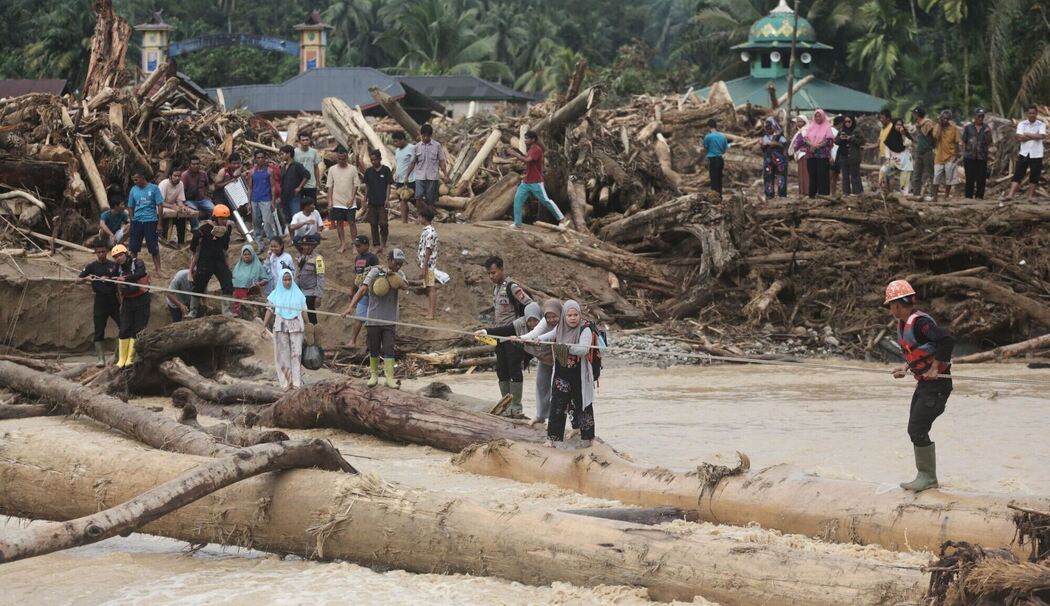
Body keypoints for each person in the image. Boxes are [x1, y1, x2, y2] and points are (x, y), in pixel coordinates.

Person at [884, 279, 954, 492]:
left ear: (896, 305)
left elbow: (946, 341)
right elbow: (916, 350)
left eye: (890, 305)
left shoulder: (921, 324)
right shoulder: (905, 324)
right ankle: (925, 476)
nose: (890, 310)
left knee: (917, 428)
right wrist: (905, 368)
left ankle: (928, 478)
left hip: (938, 386)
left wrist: (935, 368)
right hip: (924, 385)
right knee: (914, 428)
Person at [533, 300, 598, 447]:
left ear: (579, 315)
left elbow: (583, 350)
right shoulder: (560, 327)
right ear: (564, 316)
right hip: (561, 375)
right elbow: (549, 335)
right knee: (557, 405)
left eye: (575, 315)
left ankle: (590, 439)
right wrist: (538, 339)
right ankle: (551, 439)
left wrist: (565, 347)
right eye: (569, 315)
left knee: (583, 406)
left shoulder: (585, 329)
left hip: (579, 375)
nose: (573, 318)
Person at [482, 300, 554, 426]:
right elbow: (504, 330)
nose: (532, 324)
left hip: (556, 359)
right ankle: (538, 415)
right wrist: (486, 332)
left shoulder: (547, 325)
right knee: (541, 386)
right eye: (529, 321)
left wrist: (524, 338)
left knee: (556, 388)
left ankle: (555, 419)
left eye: (535, 320)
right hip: (543, 360)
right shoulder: (520, 324)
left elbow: (538, 334)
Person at [345, 248, 408, 388]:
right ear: (389, 260)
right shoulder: (375, 272)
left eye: (401, 264)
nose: (398, 266)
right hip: (373, 318)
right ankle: (373, 375)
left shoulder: (400, 274)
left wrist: (395, 277)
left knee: (389, 348)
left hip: (389, 319)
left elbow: (405, 286)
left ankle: (389, 378)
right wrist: (350, 307)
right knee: (373, 347)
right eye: (396, 263)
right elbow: (362, 289)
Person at [485, 255, 534, 417]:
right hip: (499, 335)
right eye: (489, 274)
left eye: (494, 272)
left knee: (514, 369)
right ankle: (505, 405)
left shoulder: (512, 287)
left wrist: (521, 324)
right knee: (501, 370)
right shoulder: (496, 288)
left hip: (513, 335)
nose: (491, 276)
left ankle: (516, 406)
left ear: (501, 269)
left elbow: (530, 305)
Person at [508, 130, 570, 228]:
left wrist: (514, 154)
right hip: (526, 181)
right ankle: (517, 223)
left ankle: (562, 219)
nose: (525, 140)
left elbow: (527, 160)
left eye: (527, 138)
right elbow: (527, 160)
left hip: (536, 182)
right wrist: (516, 152)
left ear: (533, 139)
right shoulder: (531, 150)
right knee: (518, 199)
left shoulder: (537, 150)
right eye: (525, 138)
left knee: (546, 201)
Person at [77, 239, 120, 367]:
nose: (101, 254)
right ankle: (101, 359)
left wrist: (110, 279)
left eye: (103, 251)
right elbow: (77, 280)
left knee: (124, 326)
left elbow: (120, 279)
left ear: (107, 251)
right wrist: (86, 278)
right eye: (98, 252)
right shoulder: (91, 266)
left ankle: (117, 355)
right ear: (95, 252)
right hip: (100, 300)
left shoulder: (113, 265)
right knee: (99, 330)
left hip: (113, 300)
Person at [265, 269, 309, 390]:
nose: (287, 282)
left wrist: (309, 325)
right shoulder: (275, 294)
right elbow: (269, 310)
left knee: (296, 354)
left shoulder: (298, 294)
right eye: (285, 280)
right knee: (282, 355)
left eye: (289, 279)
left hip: (296, 326)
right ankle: (285, 382)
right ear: (280, 280)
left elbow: (304, 311)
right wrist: (264, 325)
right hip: (281, 326)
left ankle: (296, 382)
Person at [188, 205, 234, 318]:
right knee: (198, 284)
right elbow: (194, 244)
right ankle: (192, 311)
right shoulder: (205, 228)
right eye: (222, 218)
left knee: (227, 282)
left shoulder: (227, 229)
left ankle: (227, 311)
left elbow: (225, 246)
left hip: (219, 259)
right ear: (215, 217)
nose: (224, 221)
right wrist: (196, 245)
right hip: (205, 260)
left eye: (226, 218)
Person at [111, 244, 150, 368]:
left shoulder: (137, 262)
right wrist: (108, 278)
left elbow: (141, 273)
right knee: (124, 329)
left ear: (126, 254)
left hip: (141, 299)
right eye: (116, 257)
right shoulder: (117, 267)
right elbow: (113, 276)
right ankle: (122, 359)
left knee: (137, 329)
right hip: (128, 300)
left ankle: (131, 359)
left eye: (120, 255)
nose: (118, 258)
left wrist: (126, 278)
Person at [1005, 105, 1046, 201]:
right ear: (1027, 114)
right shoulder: (1022, 124)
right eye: (1030, 113)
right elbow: (1019, 138)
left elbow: (1041, 136)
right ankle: (1011, 195)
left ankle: (1030, 196)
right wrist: (1034, 136)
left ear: (1036, 114)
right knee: (1018, 173)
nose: (1032, 115)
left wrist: (1027, 134)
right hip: (1024, 153)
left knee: (1035, 175)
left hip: (1037, 153)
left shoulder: (1041, 124)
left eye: (1033, 113)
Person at [126, 172, 164, 272]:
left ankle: (158, 270)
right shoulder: (133, 189)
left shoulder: (154, 188)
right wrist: (132, 219)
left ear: (143, 177)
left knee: (154, 247)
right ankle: (132, 269)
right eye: (133, 180)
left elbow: (160, 205)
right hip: (137, 221)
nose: (135, 182)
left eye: (136, 179)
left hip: (151, 221)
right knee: (133, 247)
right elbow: (130, 206)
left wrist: (159, 224)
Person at [326, 145, 359, 253]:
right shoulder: (332, 169)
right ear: (337, 157)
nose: (341, 160)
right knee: (339, 223)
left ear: (347, 157)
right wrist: (330, 201)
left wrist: (352, 198)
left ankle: (355, 245)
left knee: (352, 222)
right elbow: (330, 186)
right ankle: (343, 244)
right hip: (337, 201)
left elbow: (356, 185)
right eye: (339, 158)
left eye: (343, 158)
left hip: (350, 201)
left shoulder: (353, 169)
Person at [406, 123, 447, 213]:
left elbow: (442, 161)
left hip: (432, 177)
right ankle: (420, 215)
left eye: (427, 136)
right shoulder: (416, 147)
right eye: (423, 136)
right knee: (418, 197)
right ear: (420, 135)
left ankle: (429, 217)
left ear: (431, 135)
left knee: (431, 199)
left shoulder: (437, 146)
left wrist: (446, 175)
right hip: (420, 176)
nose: (425, 138)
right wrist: (406, 176)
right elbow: (412, 163)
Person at [349, 235, 380, 345]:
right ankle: (352, 341)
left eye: (359, 246)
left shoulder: (372, 258)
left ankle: (370, 342)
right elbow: (356, 274)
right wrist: (352, 289)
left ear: (366, 245)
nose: (357, 248)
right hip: (360, 292)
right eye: (356, 246)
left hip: (370, 292)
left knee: (370, 320)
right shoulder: (357, 258)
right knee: (359, 317)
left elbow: (378, 274)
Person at [363, 149, 393, 251]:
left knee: (383, 223)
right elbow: (367, 186)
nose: (373, 162)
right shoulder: (368, 171)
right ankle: (376, 243)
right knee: (373, 222)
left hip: (382, 201)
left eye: (375, 160)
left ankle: (384, 242)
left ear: (380, 159)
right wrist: (365, 199)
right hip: (372, 201)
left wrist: (387, 199)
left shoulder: (386, 170)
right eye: (371, 160)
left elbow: (388, 185)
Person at [246, 151, 278, 243]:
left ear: (265, 159)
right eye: (258, 158)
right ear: (255, 159)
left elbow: (272, 186)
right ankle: (259, 243)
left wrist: (273, 201)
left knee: (267, 221)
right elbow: (250, 188)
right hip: (255, 200)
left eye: (262, 157)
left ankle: (272, 240)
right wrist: (249, 203)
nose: (260, 160)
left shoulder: (269, 171)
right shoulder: (252, 172)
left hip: (266, 199)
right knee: (256, 223)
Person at [961, 108, 994, 199]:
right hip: (969, 157)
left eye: (982, 116)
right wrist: (963, 152)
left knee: (981, 178)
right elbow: (963, 141)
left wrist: (988, 134)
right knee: (969, 178)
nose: (981, 118)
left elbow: (989, 142)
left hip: (982, 156)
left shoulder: (986, 128)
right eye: (979, 116)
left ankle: (979, 196)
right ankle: (968, 197)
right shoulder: (968, 128)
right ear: (975, 116)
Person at [802, 109, 835, 198]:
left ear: (823, 116)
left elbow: (829, 140)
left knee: (822, 174)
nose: (817, 118)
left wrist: (817, 146)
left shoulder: (827, 127)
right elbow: (805, 139)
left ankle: (823, 194)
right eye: (816, 116)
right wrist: (812, 145)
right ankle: (812, 194)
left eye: (819, 116)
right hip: (811, 154)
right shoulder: (811, 126)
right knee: (812, 174)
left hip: (822, 155)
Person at [159, 167, 194, 247]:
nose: (177, 178)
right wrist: (172, 206)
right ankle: (165, 241)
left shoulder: (180, 184)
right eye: (175, 176)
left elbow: (179, 200)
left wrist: (182, 207)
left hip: (171, 207)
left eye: (179, 176)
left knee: (182, 217)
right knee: (168, 218)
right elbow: (160, 202)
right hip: (160, 208)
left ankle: (181, 242)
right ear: (170, 176)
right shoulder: (164, 184)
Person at [231, 244, 269, 317]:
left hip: (252, 293)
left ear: (253, 255)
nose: (246, 256)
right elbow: (233, 280)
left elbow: (266, 279)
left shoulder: (257, 266)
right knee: (239, 312)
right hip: (239, 293)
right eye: (244, 254)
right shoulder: (238, 266)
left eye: (249, 254)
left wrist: (259, 283)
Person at [296, 234, 325, 325]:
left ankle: (315, 332)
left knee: (310, 314)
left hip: (310, 291)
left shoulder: (318, 259)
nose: (307, 247)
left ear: (313, 246)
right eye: (305, 245)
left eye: (309, 245)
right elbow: (297, 274)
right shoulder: (299, 257)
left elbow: (321, 277)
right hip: (299, 290)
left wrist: (318, 296)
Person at [932, 110, 961, 202]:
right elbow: (936, 137)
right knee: (936, 176)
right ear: (941, 118)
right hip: (939, 156)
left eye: (947, 119)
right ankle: (935, 197)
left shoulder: (954, 129)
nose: (945, 120)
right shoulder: (937, 127)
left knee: (949, 178)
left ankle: (946, 196)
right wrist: (940, 126)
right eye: (943, 118)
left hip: (950, 156)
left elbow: (957, 143)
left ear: (949, 119)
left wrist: (956, 156)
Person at [279, 144, 310, 224]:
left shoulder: (297, 165)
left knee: (296, 217)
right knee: (288, 219)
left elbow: (307, 175)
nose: (281, 156)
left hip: (294, 196)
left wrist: (299, 187)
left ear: (289, 154)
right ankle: (292, 236)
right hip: (285, 196)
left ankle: (299, 235)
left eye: (282, 154)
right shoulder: (283, 167)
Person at [417, 208, 439, 320]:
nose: (419, 219)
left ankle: (431, 313)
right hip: (426, 264)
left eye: (420, 217)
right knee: (428, 287)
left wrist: (424, 267)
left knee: (431, 288)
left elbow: (428, 250)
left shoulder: (430, 233)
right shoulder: (427, 231)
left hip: (429, 265)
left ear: (424, 218)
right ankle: (429, 310)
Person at [910, 108, 935, 198]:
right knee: (916, 174)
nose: (913, 115)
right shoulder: (917, 125)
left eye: (914, 114)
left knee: (931, 174)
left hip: (927, 151)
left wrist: (933, 147)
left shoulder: (928, 123)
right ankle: (916, 194)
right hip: (919, 152)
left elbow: (934, 137)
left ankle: (933, 195)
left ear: (918, 114)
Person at [836, 116, 865, 195]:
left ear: (852, 122)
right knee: (845, 176)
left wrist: (850, 138)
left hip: (854, 156)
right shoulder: (842, 130)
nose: (847, 123)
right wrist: (841, 138)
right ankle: (846, 193)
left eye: (849, 121)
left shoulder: (857, 130)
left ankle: (857, 192)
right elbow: (836, 141)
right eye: (845, 122)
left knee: (855, 176)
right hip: (843, 156)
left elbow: (862, 141)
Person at [392, 131, 416, 224]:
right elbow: (399, 164)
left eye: (397, 141)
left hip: (411, 179)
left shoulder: (412, 148)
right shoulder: (397, 151)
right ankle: (404, 222)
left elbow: (414, 163)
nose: (395, 143)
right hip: (399, 179)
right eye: (394, 141)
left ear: (403, 139)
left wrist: (407, 176)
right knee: (402, 200)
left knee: (416, 200)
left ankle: (421, 219)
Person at [879, 118, 908, 194]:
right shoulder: (891, 135)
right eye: (897, 124)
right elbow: (887, 147)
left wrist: (903, 134)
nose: (899, 126)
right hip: (892, 159)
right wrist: (888, 158)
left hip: (903, 159)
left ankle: (897, 192)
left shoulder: (904, 135)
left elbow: (907, 145)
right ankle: (889, 192)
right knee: (888, 174)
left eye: (900, 125)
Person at [761, 117, 788, 199]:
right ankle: (769, 194)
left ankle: (782, 194)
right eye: (767, 128)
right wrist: (763, 145)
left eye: (770, 128)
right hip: (768, 160)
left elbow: (784, 144)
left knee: (781, 177)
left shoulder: (780, 136)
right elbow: (762, 147)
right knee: (768, 177)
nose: (768, 130)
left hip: (779, 161)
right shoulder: (765, 136)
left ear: (774, 126)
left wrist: (776, 144)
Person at [701, 119, 729, 196]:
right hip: (720, 159)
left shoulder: (708, 137)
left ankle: (715, 197)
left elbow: (705, 148)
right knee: (719, 179)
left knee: (713, 180)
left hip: (712, 159)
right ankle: (720, 196)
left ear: (708, 126)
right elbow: (724, 149)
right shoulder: (723, 137)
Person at [294, 133, 322, 203]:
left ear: (310, 141)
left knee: (312, 204)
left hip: (311, 184)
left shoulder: (314, 152)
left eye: (307, 140)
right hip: (298, 183)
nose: (305, 142)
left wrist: (318, 184)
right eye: (303, 140)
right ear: (299, 141)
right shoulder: (295, 152)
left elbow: (316, 168)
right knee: (299, 206)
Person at [789, 115, 810, 196]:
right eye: (797, 121)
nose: (798, 123)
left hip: (804, 154)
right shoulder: (800, 131)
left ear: (804, 122)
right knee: (801, 173)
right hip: (800, 154)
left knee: (805, 173)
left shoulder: (805, 130)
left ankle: (807, 191)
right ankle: (802, 191)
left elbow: (801, 142)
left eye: (800, 121)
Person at [829, 115, 843, 197]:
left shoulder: (838, 132)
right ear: (840, 123)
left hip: (837, 156)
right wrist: (830, 156)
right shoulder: (832, 131)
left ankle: (833, 194)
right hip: (833, 156)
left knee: (835, 176)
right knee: (831, 176)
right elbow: (829, 145)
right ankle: (828, 193)